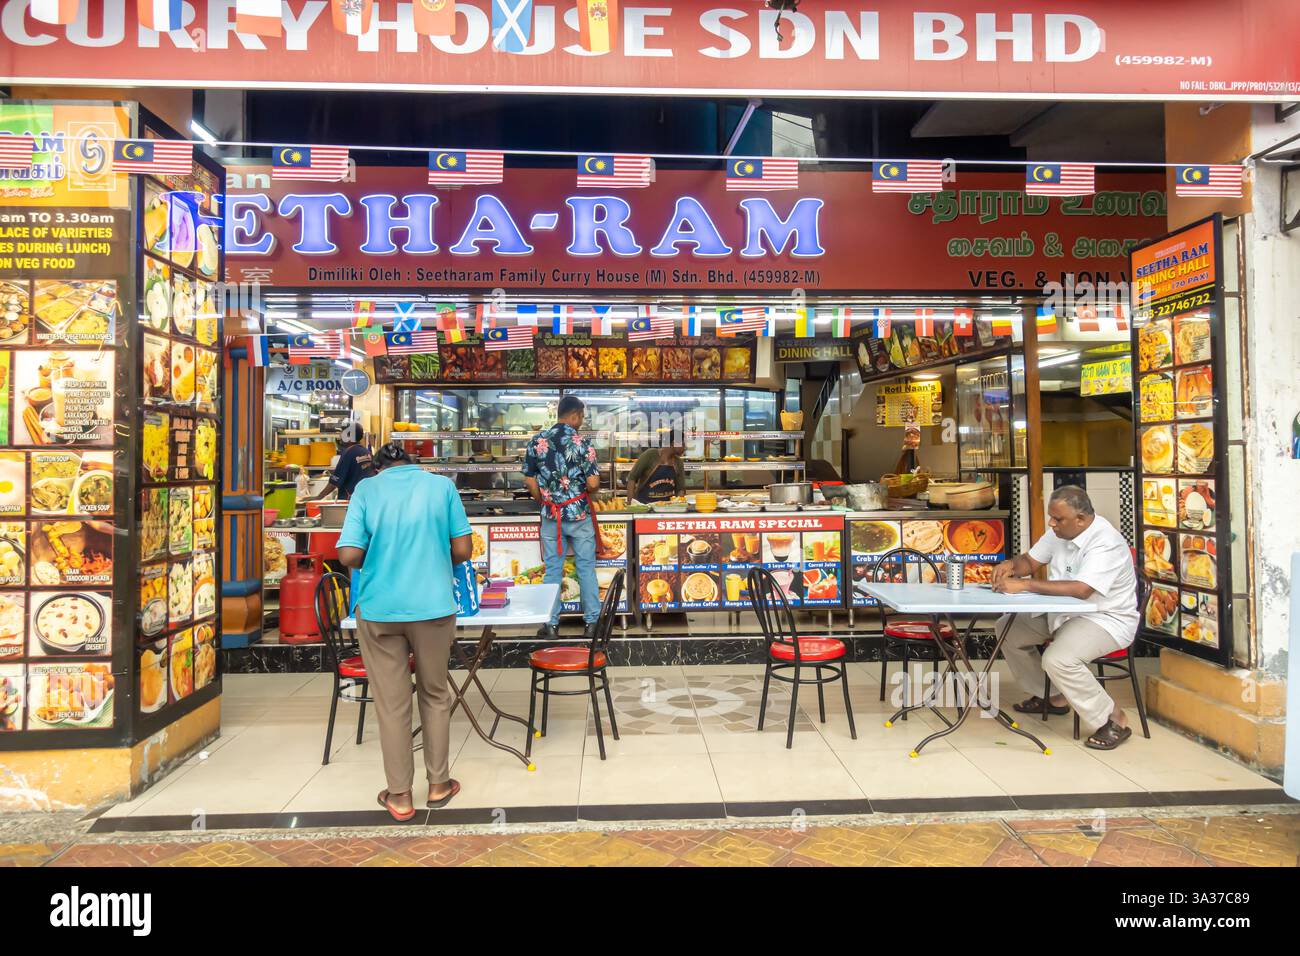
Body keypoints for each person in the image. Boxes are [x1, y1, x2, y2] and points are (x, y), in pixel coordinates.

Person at [337, 442, 472, 821]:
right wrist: (431, 551)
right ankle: (439, 784)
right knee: (434, 693)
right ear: (414, 464)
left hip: (380, 608)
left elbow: (347, 555)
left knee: (392, 703)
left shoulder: (365, 489)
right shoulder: (441, 487)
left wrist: (381, 552)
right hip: (432, 606)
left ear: (378, 468)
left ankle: (398, 796)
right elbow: (462, 549)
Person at [991, 485, 1139, 750]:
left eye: (1058, 519)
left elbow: (1082, 590)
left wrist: (1025, 585)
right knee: (1007, 629)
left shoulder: (1106, 542)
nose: (1052, 523)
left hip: (1104, 618)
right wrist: (1011, 566)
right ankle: (1055, 697)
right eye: (1051, 517)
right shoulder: (1059, 532)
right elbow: (1030, 561)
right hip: (1063, 612)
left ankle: (1114, 718)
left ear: (1081, 519)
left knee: (1058, 659)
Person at [522, 395, 601, 640]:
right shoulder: (583, 444)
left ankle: (551, 625)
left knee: (553, 570)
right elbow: (593, 483)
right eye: (582, 417)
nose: (582, 421)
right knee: (586, 568)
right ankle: (591, 625)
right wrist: (583, 490)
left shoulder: (536, 441)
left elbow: (529, 480)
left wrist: (543, 499)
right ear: (576, 415)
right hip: (578, 514)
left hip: (551, 516)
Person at [320, 422, 376, 501]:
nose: (340, 436)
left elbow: (334, 482)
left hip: (350, 501)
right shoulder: (366, 452)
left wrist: (318, 497)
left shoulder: (348, 453)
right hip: (366, 499)